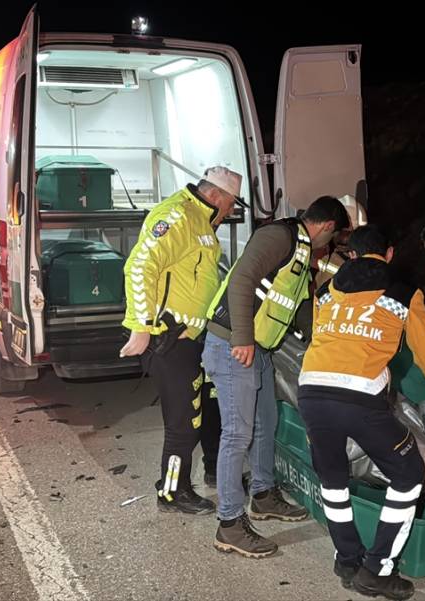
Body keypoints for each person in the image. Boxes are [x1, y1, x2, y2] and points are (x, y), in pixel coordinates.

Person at [298, 224, 425, 600]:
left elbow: (323, 337)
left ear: (351, 255)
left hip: (311, 390)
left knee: (333, 477)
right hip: (359, 398)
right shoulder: (404, 292)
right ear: (389, 254)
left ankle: (347, 560)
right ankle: (378, 569)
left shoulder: (326, 291)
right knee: (408, 473)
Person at [204, 196, 351, 558]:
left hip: (260, 349)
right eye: (333, 238)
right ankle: (230, 523)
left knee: (264, 423)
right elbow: (241, 279)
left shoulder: (301, 252)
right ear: (328, 227)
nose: (330, 247)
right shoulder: (279, 237)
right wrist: (241, 338)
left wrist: (331, 343)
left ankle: (264, 495)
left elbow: (299, 310)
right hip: (234, 345)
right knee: (237, 433)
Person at [118, 166, 241, 515]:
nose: (231, 210)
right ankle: (172, 492)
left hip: (191, 339)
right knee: (183, 425)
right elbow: (140, 265)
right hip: (169, 340)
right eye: (231, 203)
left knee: (195, 417)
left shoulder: (201, 221)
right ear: (216, 195)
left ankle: (184, 483)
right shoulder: (177, 215)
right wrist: (141, 326)